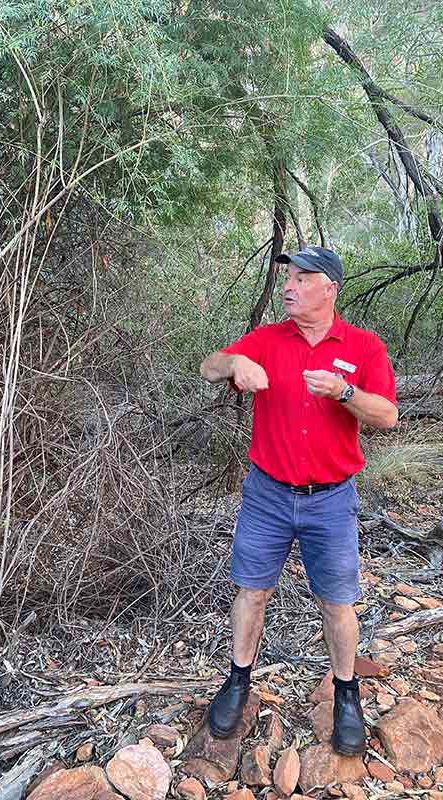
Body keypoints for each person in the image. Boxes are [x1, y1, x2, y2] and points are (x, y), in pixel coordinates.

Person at [199, 246, 398, 755]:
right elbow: (208, 367)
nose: (289, 286)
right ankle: (238, 682)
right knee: (252, 591)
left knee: (337, 602)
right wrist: (237, 362)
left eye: (303, 278)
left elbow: (387, 415)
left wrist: (344, 392)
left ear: (328, 289)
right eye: (288, 277)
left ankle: (346, 694)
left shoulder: (363, 347)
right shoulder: (268, 338)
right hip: (267, 493)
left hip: (331, 500)